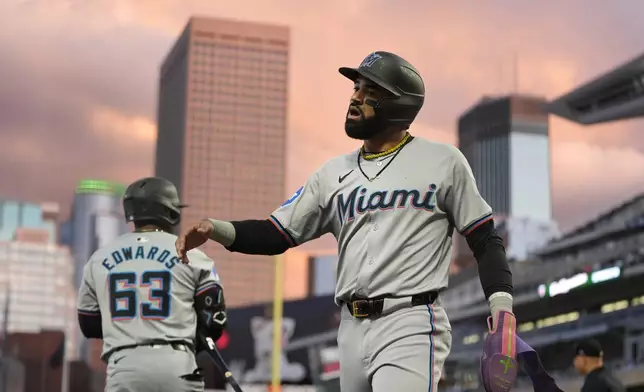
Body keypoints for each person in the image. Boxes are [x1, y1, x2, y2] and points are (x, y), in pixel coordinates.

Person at [175, 51, 514, 392]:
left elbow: (484, 239)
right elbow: (275, 234)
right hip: (350, 328)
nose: (355, 96)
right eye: (356, 87)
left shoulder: (443, 162)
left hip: (410, 320)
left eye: (370, 90)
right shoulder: (332, 173)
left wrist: (502, 314)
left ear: (399, 103)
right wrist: (214, 228)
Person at [77, 177, 228, 392]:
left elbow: (88, 323)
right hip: (177, 364)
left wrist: (131, 328)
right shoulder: (193, 255)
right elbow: (214, 322)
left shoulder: (98, 258)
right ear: (170, 211)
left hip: (124, 364)